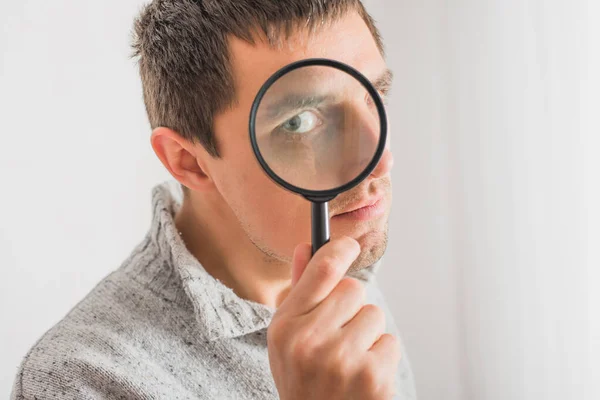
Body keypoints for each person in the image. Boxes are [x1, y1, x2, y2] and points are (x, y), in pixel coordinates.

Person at [11, 0, 417, 399]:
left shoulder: (344, 265)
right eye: (300, 122)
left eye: (372, 96)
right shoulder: (82, 379)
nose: (380, 161)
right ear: (190, 162)